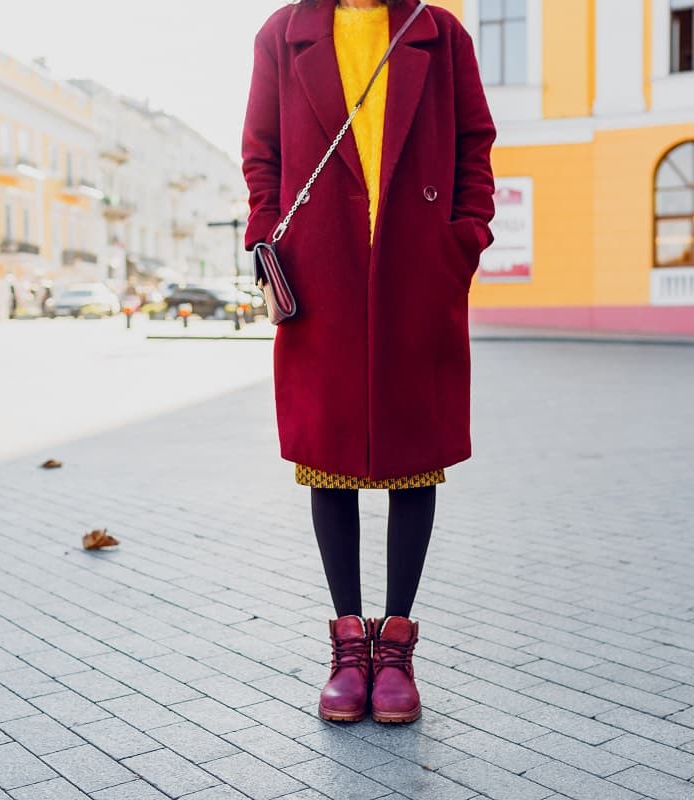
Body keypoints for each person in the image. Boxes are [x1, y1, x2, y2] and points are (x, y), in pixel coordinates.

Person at [243, 0, 495, 724]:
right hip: (319, 270)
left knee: (416, 455)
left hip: (419, 267)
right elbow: (261, 151)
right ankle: (349, 649)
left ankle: (398, 651)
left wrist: (462, 239)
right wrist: (270, 234)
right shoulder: (284, 34)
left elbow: (475, 143)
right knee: (328, 456)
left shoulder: (439, 33)